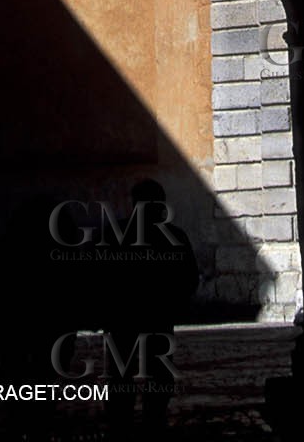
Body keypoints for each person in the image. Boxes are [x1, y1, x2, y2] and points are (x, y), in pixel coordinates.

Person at [102, 179, 198, 431]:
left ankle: (120, 420)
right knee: (159, 374)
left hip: (123, 318)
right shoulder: (174, 237)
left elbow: (100, 278)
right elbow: (189, 278)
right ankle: (154, 420)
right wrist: (175, 305)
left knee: (120, 375)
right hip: (159, 316)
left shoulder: (115, 234)